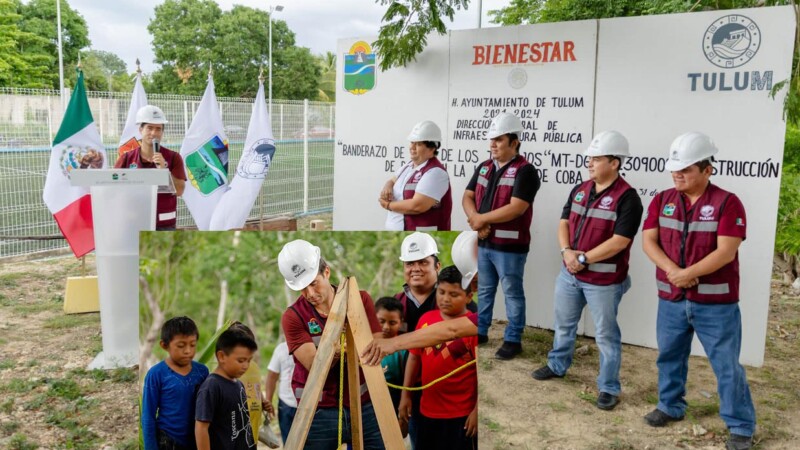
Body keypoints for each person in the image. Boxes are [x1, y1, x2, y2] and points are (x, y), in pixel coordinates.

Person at [641, 132, 755, 450]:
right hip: (672, 299)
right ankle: (670, 406)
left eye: (686, 169)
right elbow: (648, 240)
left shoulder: (727, 203)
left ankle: (740, 425)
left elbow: (726, 251)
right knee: (669, 357)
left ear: (707, 170)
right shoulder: (662, 200)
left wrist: (687, 273)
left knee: (726, 365)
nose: (677, 174)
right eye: (674, 169)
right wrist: (674, 273)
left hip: (716, 304)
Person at [531, 131, 643, 412]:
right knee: (564, 325)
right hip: (570, 273)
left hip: (603, 281)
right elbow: (563, 222)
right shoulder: (581, 189)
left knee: (606, 335)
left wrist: (583, 257)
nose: (589, 163)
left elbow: (621, 241)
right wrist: (566, 252)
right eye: (589, 158)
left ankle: (608, 387)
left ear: (615, 162)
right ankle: (557, 365)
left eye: (596, 158)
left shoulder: (628, 198)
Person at [278, 239, 385, 450]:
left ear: (326, 272)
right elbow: (314, 365)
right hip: (318, 411)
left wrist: (339, 350)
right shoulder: (293, 317)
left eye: (313, 283)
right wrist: (350, 348)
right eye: (302, 289)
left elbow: (378, 345)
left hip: (364, 406)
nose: (310, 294)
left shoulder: (359, 300)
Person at [463, 112, 541, 360]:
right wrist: (476, 218)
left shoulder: (526, 171)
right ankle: (481, 330)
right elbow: (467, 196)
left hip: (510, 246)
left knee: (512, 292)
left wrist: (481, 220)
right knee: (484, 290)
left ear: (514, 141)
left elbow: (517, 207)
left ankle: (513, 339)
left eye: (498, 139)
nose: (492, 144)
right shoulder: (485, 167)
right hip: (484, 243)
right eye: (491, 139)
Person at [399, 266, 478, 450]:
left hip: (461, 415)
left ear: (469, 297)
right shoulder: (426, 319)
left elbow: (482, 375)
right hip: (427, 412)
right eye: (441, 292)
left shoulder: (473, 327)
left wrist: (477, 411)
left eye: (454, 294)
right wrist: (406, 395)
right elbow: (413, 358)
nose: (445, 299)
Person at [114, 105, 187, 230]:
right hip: (134, 222)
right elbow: (113, 187)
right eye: (150, 128)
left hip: (164, 224)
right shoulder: (126, 158)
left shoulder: (174, 157)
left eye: (158, 129)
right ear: (140, 129)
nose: (154, 133)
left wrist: (163, 170)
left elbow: (179, 190)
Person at [141, 316, 209, 450]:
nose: (188, 351)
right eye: (181, 346)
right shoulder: (156, 374)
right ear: (164, 345)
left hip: (196, 441)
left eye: (193, 344)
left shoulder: (202, 372)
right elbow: (148, 416)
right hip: (167, 441)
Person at [379, 120, 452, 231]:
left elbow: (417, 206)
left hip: (420, 232)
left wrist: (388, 205)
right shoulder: (408, 166)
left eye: (418, 144)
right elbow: (392, 180)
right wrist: (387, 188)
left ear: (432, 149)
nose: (412, 147)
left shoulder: (436, 173)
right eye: (412, 142)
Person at [195, 327, 258, 450]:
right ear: (222, 356)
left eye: (248, 360)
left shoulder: (238, 384)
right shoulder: (211, 387)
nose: (246, 366)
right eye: (241, 360)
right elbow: (201, 427)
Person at [374, 297, 409, 424]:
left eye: (392, 323)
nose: (386, 327)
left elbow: (406, 387)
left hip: (391, 413)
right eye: (381, 321)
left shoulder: (403, 352)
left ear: (401, 323)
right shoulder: (361, 345)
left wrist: (402, 420)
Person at [263, 341, 296, 445]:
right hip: (287, 404)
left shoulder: (314, 346)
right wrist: (268, 400)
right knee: (289, 443)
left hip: (312, 404)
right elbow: (272, 377)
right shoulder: (281, 349)